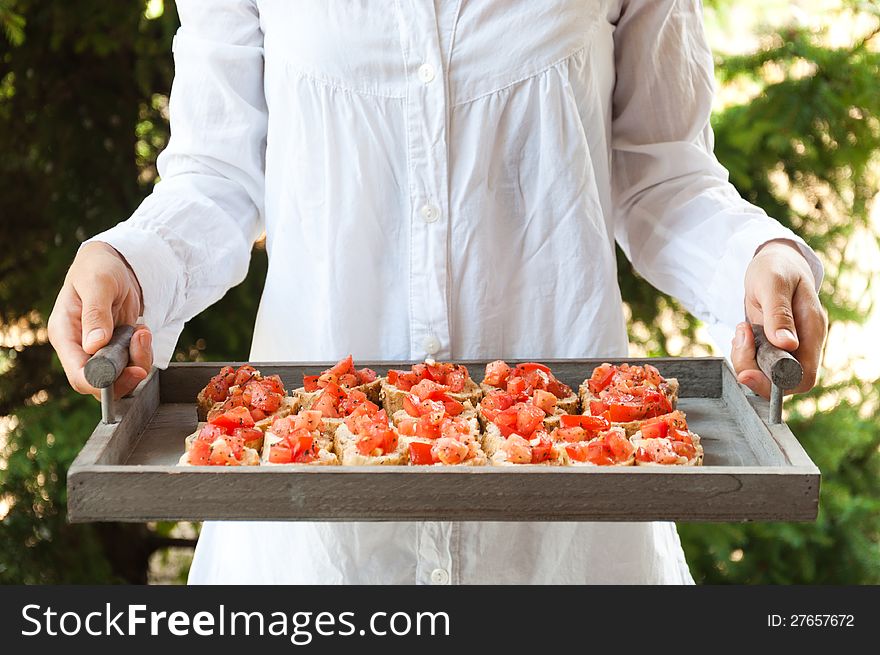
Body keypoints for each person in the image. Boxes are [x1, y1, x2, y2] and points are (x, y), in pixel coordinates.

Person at [48, 1, 826, 584]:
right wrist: (132, 260)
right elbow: (218, 175)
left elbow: (662, 174)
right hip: (313, 552)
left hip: (567, 543)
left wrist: (752, 259)